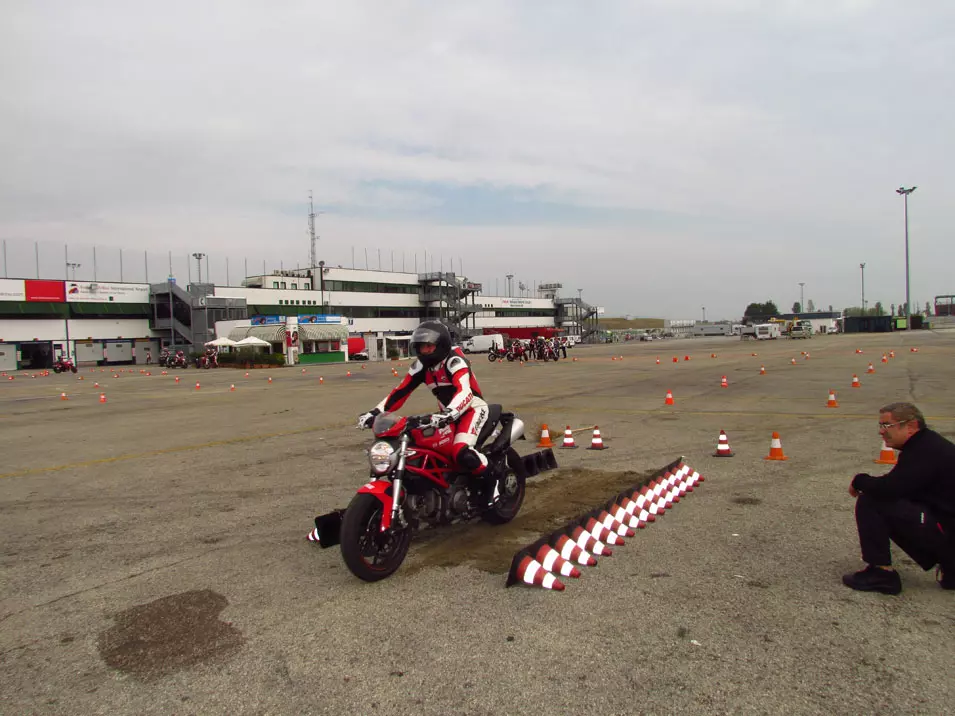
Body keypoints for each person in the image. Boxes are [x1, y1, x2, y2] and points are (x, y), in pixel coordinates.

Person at [843, 402, 955, 594]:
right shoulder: (927, 444)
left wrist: (859, 480)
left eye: (886, 426)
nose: (881, 432)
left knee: (871, 501)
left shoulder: (925, 450)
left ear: (910, 427)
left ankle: (881, 573)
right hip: (948, 527)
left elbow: (889, 489)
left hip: (948, 532)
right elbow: (904, 486)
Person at [358, 321, 492, 479]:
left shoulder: (454, 362)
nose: (425, 351)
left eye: (429, 346)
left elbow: (465, 392)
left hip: (472, 409)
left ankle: (492, 482)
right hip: (446, 415)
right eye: (422, 347)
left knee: (461, 452)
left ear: (441, 345)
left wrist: (449, 413)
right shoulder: (421, 367)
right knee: (423, 448)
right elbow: (400, 393)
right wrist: (375, 412)